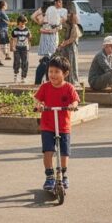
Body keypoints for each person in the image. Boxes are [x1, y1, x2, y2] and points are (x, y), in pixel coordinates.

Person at [33, 56, 79, 191]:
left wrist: (72, 105)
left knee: (64, 152)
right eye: (50, 71)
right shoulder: (45, 87)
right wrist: (40, 105)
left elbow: (76, 100)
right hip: (47, 124)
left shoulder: (69, 88)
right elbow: (37, 99)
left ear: (65, 74)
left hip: (63, 125)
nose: (52, 75)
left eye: (56, 72)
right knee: (48, 150)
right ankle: (49, 176)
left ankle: (64, 174)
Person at [33, 0, 61, 85]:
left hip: (45, 36)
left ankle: (42, 80)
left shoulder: (42, 11)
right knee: (49, 59)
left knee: (47, 58)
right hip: (52, 36)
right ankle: (47, 81)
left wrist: (40, 23)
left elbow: (33, 16)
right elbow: (59, 26)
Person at [58, 10, 82, 86]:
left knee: (72, 64)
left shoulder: (74, 26)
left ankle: (73, 81)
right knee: (64, 64)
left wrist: (63, 44)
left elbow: (72, 39)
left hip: (71, 49)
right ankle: (65, 81)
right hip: (65, 49)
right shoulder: (65, 25)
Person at [10, 15, 31, 83]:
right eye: (22, 23)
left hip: (25, 48)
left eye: (24, 23)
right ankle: (15, 74)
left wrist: (28, 46)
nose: (23, 24)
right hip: (17, 48)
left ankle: (23, 77)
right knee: (17, 62)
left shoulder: (27, 30)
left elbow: (28, 38)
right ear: (18, 22)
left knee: (25, 62)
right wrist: (13, 47)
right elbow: (13, 40)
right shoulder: (15, 31)